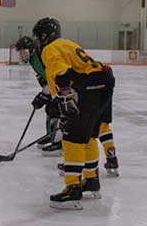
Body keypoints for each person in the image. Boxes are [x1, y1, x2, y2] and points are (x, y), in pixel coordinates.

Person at [32, 17, 117, 209]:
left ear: (46, 36)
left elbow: (62, 74)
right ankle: (91, 181)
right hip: (103, 82)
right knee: (89, 136)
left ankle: (73, 190)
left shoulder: (49, 49)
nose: (37, 40)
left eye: (39, 36)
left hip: (88, 88)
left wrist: (65, 99)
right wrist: (48, 96)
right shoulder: (65, 44)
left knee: (72, 137)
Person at [15, 35, 62, 153]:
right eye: (20, 52)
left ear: (31, 49)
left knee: (56, 110)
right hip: (54, 87)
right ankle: (51, 135)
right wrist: (44, 93)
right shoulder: (33, 59)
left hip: (62, 86)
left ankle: (60, 142)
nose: (22, 55)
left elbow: (53, 76)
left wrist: (44, 94)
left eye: (24, 51)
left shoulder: (41, 55)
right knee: (50, 108)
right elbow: (43, 77)